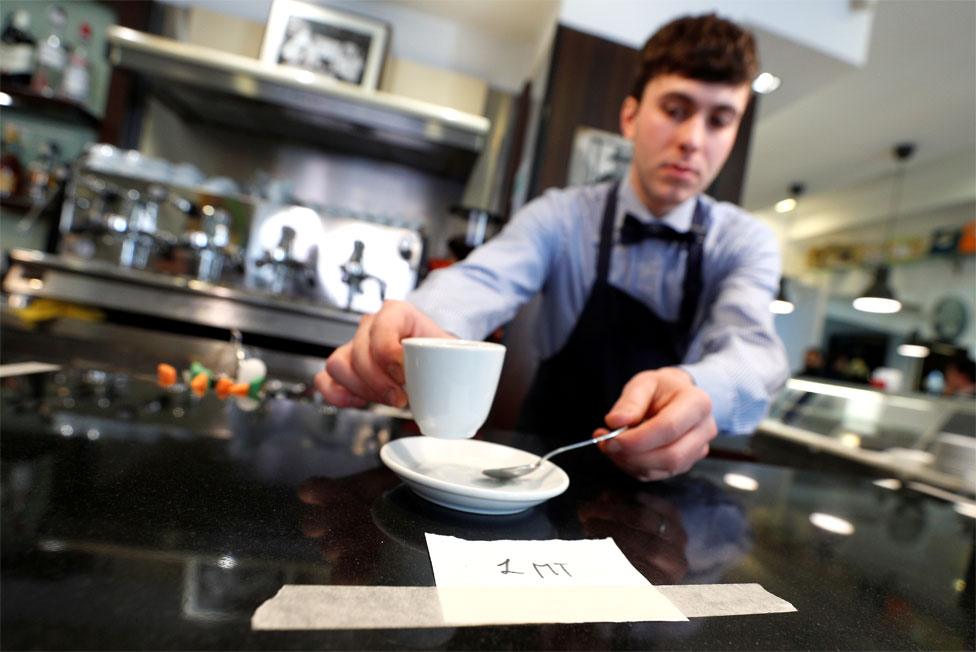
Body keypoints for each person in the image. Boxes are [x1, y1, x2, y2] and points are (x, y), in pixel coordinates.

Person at [315, 13, 789, 481]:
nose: (692, 140)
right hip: (538, 467)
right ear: (630, 117)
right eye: (675, 110)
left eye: (719, 121)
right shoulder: (562, 215)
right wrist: (420, 329)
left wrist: (697, 387)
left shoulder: (745, 241)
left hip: (662, 487)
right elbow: (481, 279)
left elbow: (754, 352)